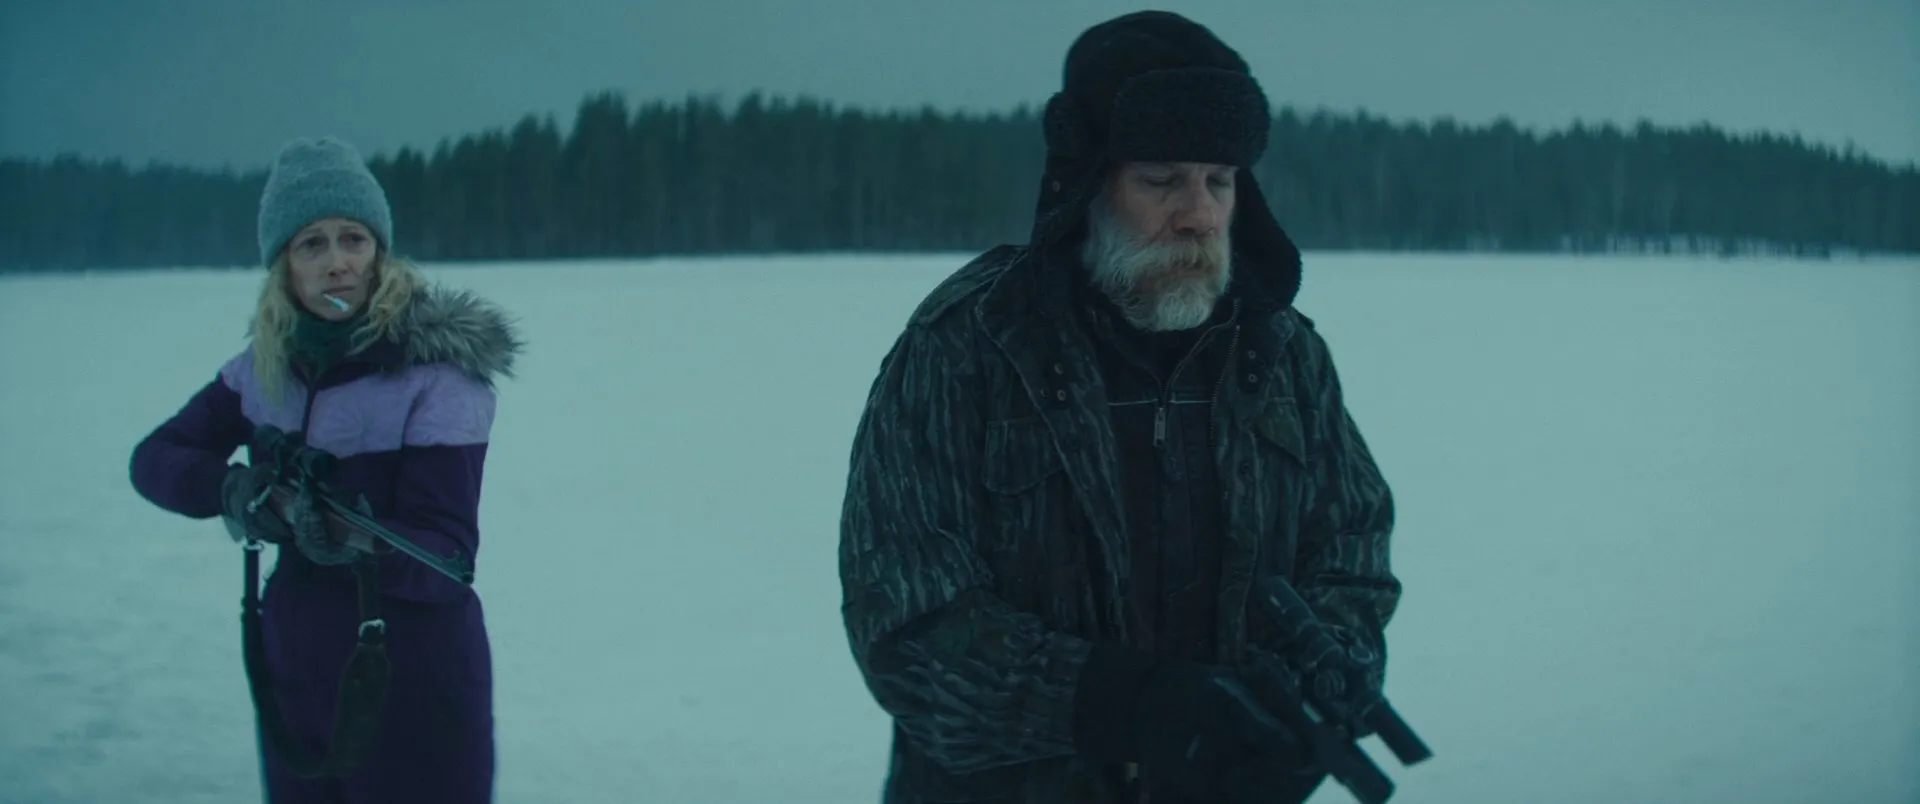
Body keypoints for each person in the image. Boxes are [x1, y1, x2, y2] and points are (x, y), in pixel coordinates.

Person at [838, 11, 1402, 804]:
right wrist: (1123, 705)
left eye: (1220, 180)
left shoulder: (1282, 355)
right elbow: (906, 619)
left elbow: (1352, 553)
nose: (1200, 214)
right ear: (1087, 185)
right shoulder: (968, 349)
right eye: (1161, 180)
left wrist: (1310, 693)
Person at [129, 136, 522, 803]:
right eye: (312, 243)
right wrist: (239, 491)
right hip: (297, 678)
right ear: (283, 265)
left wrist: (350, 538)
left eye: (353, 239)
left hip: (414, 680)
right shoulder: (261, 370)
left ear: (380, 251)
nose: (338, 262)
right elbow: (154, 458)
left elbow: (445, 560)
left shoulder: (436, 374)